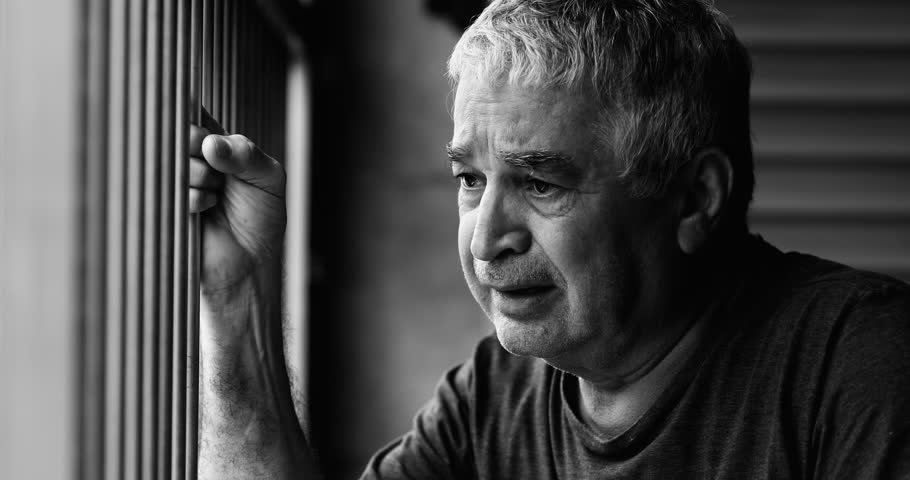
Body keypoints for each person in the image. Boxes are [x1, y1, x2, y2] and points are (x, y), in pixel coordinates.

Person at [187, 0, 910, 478]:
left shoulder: (861, 366)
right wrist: (238, 293)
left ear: (694, 199)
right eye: (470, 180)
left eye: (541, 183)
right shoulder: (493, 401)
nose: (487, 238)